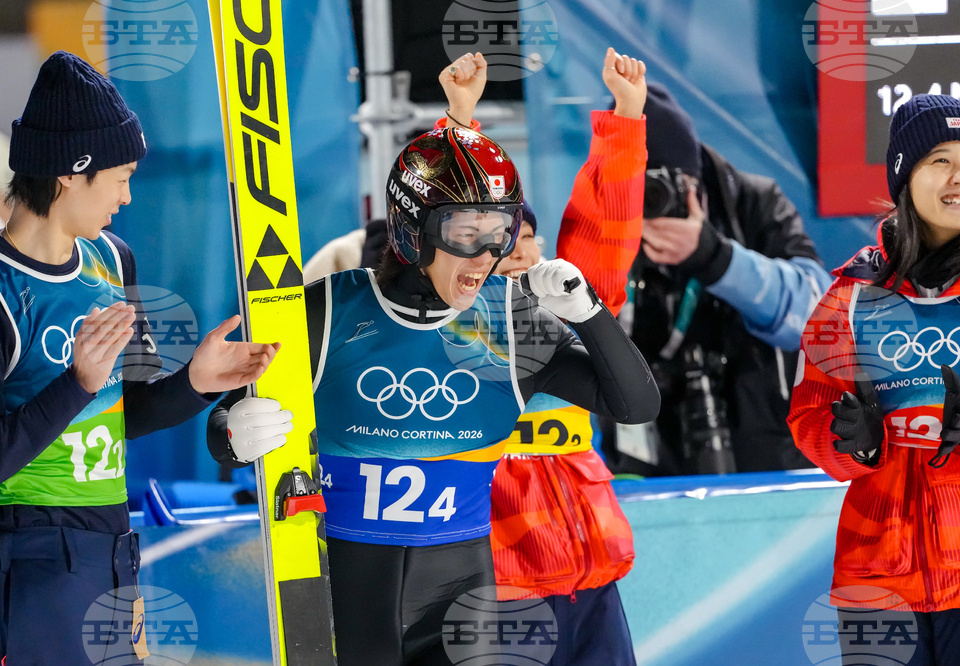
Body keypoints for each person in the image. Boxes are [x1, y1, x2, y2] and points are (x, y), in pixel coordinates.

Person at [207, 127, 660, 664]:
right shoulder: (328, 309)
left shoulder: (513, 322)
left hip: (465, 599)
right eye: (465, 233)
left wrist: (588, 315)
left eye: (500, 232)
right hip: (346, 589)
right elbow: (225, 427)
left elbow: (636, 406)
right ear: (411, 230)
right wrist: (232, 433)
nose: (487, 255)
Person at [0, 52, 280, 664]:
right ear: (71, 172)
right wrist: (74, 386)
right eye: (120, 175)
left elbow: (123, 413)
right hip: (27, 554)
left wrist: (195, 384)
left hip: (110, 545)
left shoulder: (112, 259)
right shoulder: (5, 288)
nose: (128, 196)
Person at [438, 48, 647, 665]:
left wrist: (627, 115)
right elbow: (453, 209)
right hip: (496, 583)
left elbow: (605, 223)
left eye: (530, 238)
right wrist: (461, 119)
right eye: (507, 243)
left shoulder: (566, 305)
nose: (525, 253)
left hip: (592, 570)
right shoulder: (447, 321)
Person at [788, 93, 960, 663]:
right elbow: (809, 414)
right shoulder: (850, 295)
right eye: (940, 160)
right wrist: (849, 442)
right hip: (875, 579)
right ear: (905, 177)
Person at [600, 81, 832, 477]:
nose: (654, 206)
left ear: (695, 180)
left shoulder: (753, 204)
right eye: (642, 191)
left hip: (771, 457)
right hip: (653, 465)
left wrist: (716, 257)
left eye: (665, 188)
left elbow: (820, 317)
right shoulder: (606, 221)